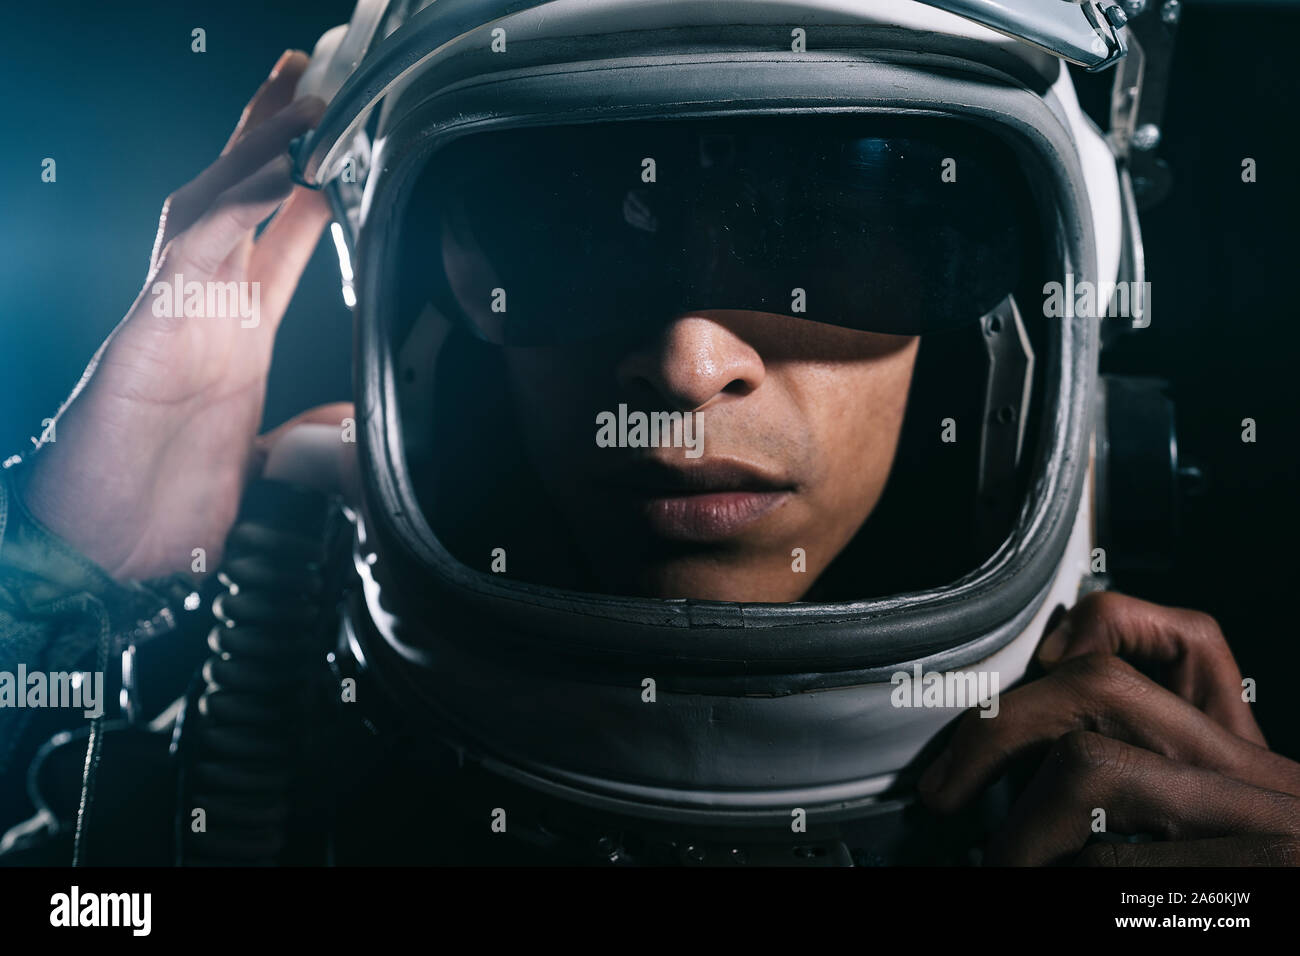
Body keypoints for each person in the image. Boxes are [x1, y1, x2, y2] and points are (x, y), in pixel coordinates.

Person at [1, 0, 1298, 866]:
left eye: (831, 229)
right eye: (564, 228)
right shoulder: (200, 809)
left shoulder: (1191, 863)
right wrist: (73, 553)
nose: (689, 357)